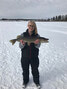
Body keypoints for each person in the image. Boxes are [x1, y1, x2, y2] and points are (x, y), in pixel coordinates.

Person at [19, 20, 41, 88]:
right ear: (28, 26)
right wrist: (22, 43)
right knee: (25, 70)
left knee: (35, 70)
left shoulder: (37, 35)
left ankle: (37, 82)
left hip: (34, 56)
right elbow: (20, 46)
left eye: (32, 26)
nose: (31, 27)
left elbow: (38, 46)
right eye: (30, 25)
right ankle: (25, 81)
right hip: (25, 56)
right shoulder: (23, 35)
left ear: (34, 27)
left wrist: (37, 44)